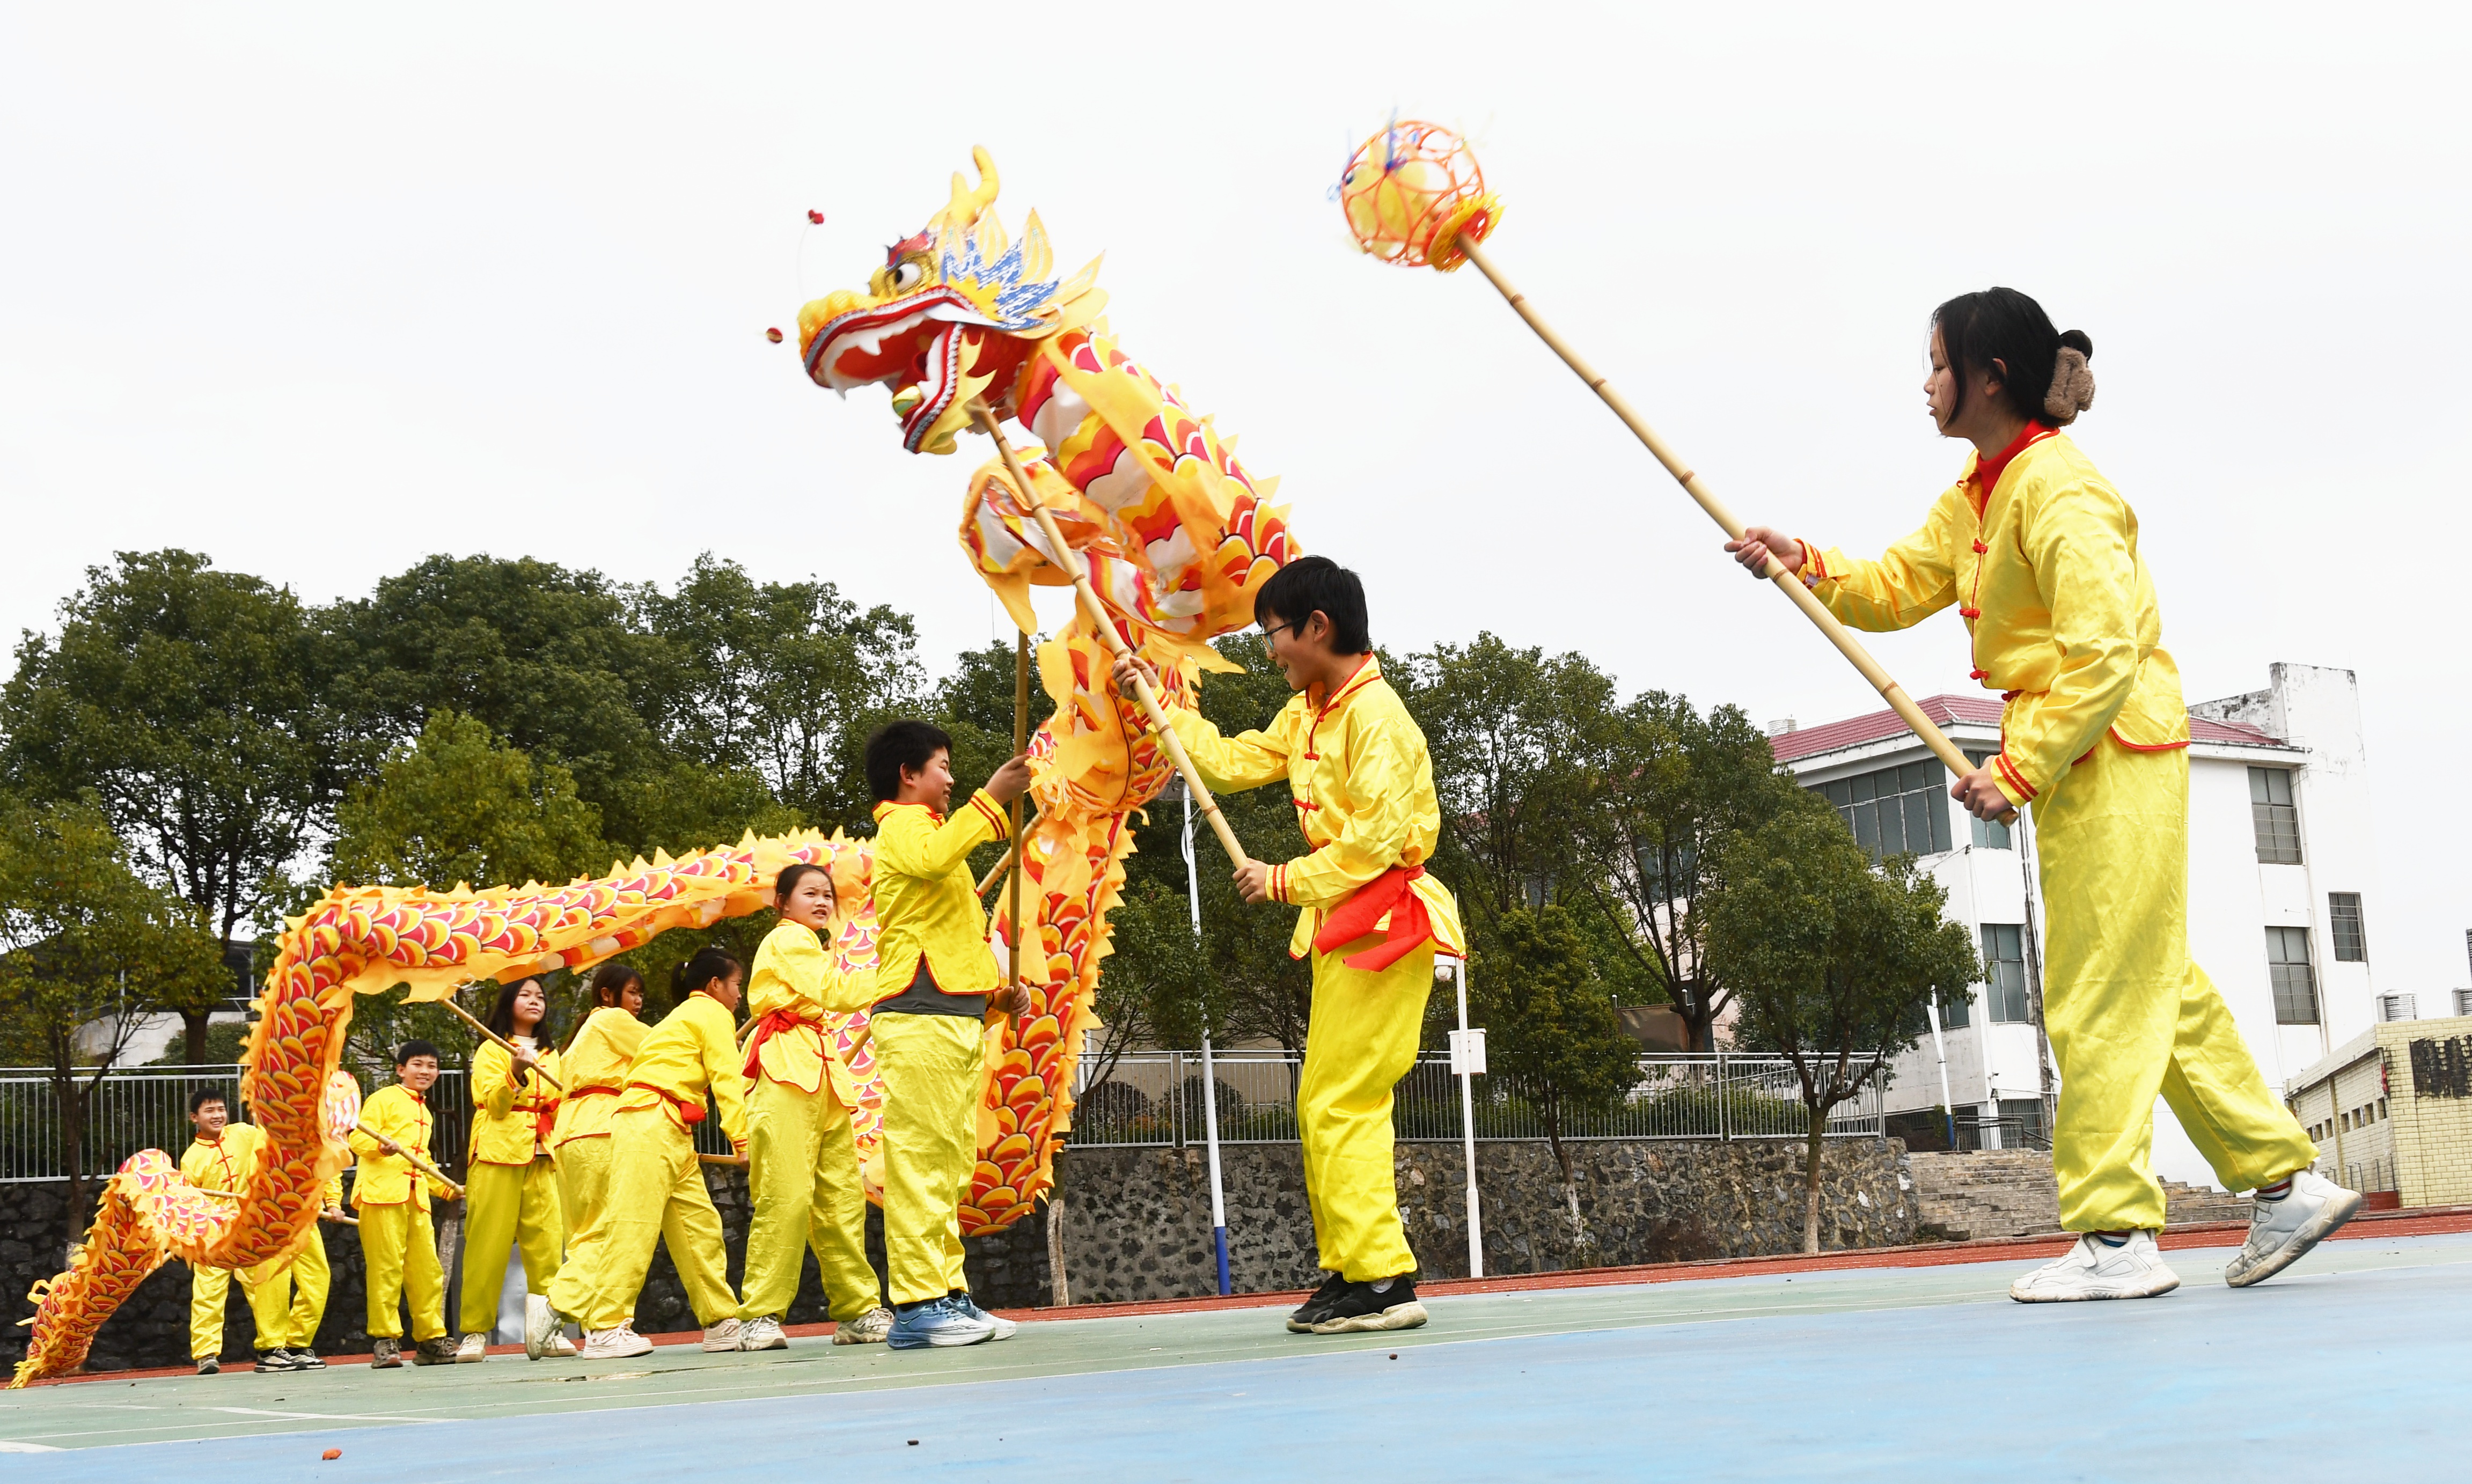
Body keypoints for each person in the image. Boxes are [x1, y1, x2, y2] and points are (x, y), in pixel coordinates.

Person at [1725, 286, 2359, 1301]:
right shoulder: (1981, 491)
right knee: (2152, 980)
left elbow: (2103, 652)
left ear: (1990, 377)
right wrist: (1803, 563)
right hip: (2088, 749)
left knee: (2095, 990)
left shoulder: (2059, 491)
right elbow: (1894, 585)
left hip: (2109, 743)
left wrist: (2019, 767)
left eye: (1936, 363)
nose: (1925, 382)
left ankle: (2116, 1236)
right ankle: (2282, 1183)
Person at [1111, 555, 1464, 1336]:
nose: (1267, 649)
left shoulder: (1378, 719)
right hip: (1342, 921)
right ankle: (1351, 1267)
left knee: (1344, 1099)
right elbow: (1235, 763)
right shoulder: (1308, 710)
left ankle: (1380, 1276)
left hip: (1383, 921)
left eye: (1272, 632)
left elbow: (1374, 841)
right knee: (1322, 1103)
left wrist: (1280, 878)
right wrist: (1157, 700)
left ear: (1315, 627)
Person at [862, 719, 1031, 1349]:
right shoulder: (903, 827)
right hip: (918, 1018)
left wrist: (993, 994)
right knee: (921, 1166)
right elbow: (934, 860)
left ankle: (948, 1293)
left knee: (951, 1166)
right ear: (908, 775)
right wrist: (991, 798)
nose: (951, 779)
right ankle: (915, 1305)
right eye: (941, 766)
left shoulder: (931, 835)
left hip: (951, 1017)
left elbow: (950, 937)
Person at [528, 947, 750, 1360]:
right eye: (737, 984)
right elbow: (726, 1076)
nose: (741, 995)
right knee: (632, 1224)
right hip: (643, 1120)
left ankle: (720, 1320)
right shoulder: (706, 1015)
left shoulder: (674, 1022)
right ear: (716, 985)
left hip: (655, 1123)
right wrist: (742, 1138)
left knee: (698, 1224)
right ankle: (605, 1325)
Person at [737, 859, 895, 1349]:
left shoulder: (813, 946)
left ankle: (858, 1309)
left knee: (842, 1202)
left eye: (827, 894)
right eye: (809, 894)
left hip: (821, 1071)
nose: (822, 901)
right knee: (784, 1196)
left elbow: (829, 992)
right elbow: (833, 991)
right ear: (782, 904)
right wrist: (896, 977)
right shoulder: (787, 940)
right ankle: (759, 1314)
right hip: (784, 1070)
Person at [179, 1088, 343, 1375]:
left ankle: (288, 1346)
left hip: (258, 1224)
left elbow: (286, 1146)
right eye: (209, 1111)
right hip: (216, 1231)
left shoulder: (244, 1133)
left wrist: (331, 1200)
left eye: (221, 1109)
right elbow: (189, 1202)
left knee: (275, 1287)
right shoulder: (191, 1159)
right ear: (195, 1118)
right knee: (209, 1290)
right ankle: (208, 1353)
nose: (217, 1115)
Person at [454, 975, 568, 1361]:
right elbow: (495, 1105)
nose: (535, 1001)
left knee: (549, 1248)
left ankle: (550, 1330)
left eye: (540, 996)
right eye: (526, 994)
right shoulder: (492, 1049)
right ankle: (473, 1333)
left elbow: (558, 1100)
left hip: (542, 1153)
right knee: (487, 1246)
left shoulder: (553, 1054)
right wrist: (516, 1072)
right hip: (496, 1155)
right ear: (508, 1001)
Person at [547, 962, 650, 1336]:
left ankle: (598, 1327)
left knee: (582, 1234)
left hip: (570, 1134)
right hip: (602, 1129)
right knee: (608, 1228)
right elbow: (664, 1048)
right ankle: (554, 1305)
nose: (638, 1001)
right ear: (607, 995)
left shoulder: (579, 1039)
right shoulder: (611, 1019)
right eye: (633, 992)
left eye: (641, 994)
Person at [348, 1040, 460, 1367]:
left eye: (432, 1066)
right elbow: (357, 1137)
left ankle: (430, 1339)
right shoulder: (383, 1098)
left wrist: (450, 1190)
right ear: (401, 1069)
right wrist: (380, 1147)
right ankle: (386, 1341)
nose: (425, 1071)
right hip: (382, 1196)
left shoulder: (424, 1111)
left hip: (417, 1199)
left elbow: (423, 1159)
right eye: (417, 1064)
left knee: (428, 1271)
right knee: (386, 1270)